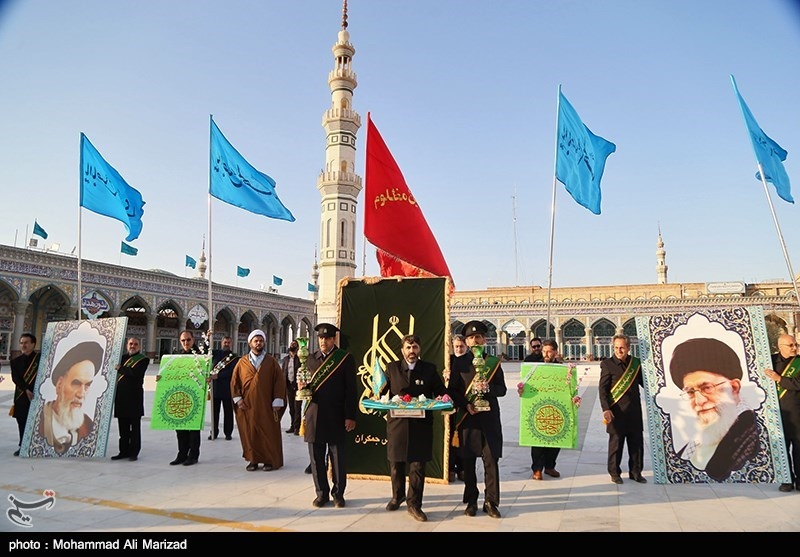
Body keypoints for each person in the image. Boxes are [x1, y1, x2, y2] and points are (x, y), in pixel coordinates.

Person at [383, 334, 457, 522]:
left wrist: (445, 394)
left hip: (420, 426)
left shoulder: (429, 370)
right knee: (396, 463)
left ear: (419, 349)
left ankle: (414, 504)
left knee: (417, 466)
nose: (412, 351)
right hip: (397, 425)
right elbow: (383, 391)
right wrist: (377, 392)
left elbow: (441, 392)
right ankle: (397, 495)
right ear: (402, 350)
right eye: (408, 348)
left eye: (415, 347)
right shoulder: (392, 368)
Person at [669, 337, 759, 481]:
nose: (700, 401)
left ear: (734, 387)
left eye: (707, 388)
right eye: (691, 392)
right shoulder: (695, 442)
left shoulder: (753, 434)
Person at [448, 320, 506, 519]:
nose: (475, 340)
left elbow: (503, 390)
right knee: (468, 462)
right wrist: (466, 405)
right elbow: (453, 391)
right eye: (471, 337)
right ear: (467, 341)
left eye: (479, 336)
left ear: (485, 339)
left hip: (489, 419)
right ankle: (471, 500)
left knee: (491, 462)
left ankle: (491, 502)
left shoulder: (493, 363)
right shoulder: (459, 363)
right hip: (469, 419)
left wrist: (488, 389)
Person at [302, 322, 357, 509]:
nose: (323, 341)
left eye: (327, 338)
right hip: (314, 414)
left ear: (334, 339)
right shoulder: (309, 359)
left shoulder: (344, 359)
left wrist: (350, 416)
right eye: (320, 338)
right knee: (316, 458)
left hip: (337, 414)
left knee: (338, 457)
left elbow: (351, 390)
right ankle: (321, 493)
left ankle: (338, 494)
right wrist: (301, 388)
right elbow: (304, 387)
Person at [521, 339, 579, 480]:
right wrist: (521, 389)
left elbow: (570, 388)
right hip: (538, 405)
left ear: (555, 352)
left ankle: (550, 467)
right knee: (537, 439)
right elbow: (526, 384)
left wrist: (574, 398)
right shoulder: (535, 367)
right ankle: (537, 469)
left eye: (549, 351)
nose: (546, 354)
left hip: (556, 406)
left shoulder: (563, 369)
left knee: (556, 437)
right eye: (544, 351)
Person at [230, 329, 287, 471]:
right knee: (250, 433)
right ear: (250, 343)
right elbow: (234, 382)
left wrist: (277, 401)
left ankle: (269, 460)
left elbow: (279, 382)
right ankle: (253, 460)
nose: (258, 343)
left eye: (261, 341)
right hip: (247, 406)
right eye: (256, 341)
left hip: (266, 405)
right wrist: (238, 399)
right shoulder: (242, 362)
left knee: (268, 433)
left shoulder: (271, 362)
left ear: (264, 343)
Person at [39, 340, 104, 455]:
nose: (81, 394)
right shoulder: (38, 420)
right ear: (60, 384)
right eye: (76, 383)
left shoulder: (88, 426)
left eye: (87, 385)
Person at [598, 334, 646, 484]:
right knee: (616, 445)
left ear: (628, 348)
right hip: (616, 412)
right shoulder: (607, 364)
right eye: (616, 348)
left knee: (636, 445)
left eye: (622, 348)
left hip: (634, 411)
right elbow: (602, 389)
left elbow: (645, 384)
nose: (619, 351)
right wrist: (606, 409)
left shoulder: (635, 364)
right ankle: (614, 473)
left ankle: (636, 472)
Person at [763, 333, 800, 492]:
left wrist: (779, 379)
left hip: (797, 413)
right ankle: (787, 480)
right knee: (781, 448)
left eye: (795, 345)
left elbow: (797, 384)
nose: (794, 348)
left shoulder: (799, 362)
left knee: (799, 449)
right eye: (790, 345)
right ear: (780, 347)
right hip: (777, 414)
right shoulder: (770, 361)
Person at [111, 337, 149, 461]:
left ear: (139, 346)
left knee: (135, 429)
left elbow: (135, 373)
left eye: (136, 344)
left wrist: (120, 368)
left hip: (134, 399)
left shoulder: (143, 360)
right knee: (123, 429)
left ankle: (134, 453)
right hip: (121, 398)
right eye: (131, 344)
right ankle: (123, 451)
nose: (133, 346)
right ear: (127, 345)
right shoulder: (121, 358)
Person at [170, 330, 203, 466]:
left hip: (194, 395)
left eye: (188, 340)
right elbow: (170, 373)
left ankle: (193, 455)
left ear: (193, 340)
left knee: (193, 428)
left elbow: (205, 373)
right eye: (183, 340)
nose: (186, 343)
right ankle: (182, 454)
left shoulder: (200, 356)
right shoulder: (176, 356)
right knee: (180, 426)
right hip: (179, 395)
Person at [10, 333, 40, 456]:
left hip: (38, 395)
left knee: (38, 422)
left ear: (33, 344)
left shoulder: (40, 359)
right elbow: (16, 379)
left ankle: (37, 445)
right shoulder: (15, 362)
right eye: (21, 343)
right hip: (22, 396)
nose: (24, 345)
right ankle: (23, 445)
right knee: (22, 421)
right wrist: (26, 389)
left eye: (26, 343)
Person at [447, 333, 470, 482]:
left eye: (461, 346)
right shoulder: (447, 361)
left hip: (464, 404)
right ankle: (449, 469)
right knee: (450, 438)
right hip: (449, 404)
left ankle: (462, 469)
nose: (459, 349)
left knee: (463, 439)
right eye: (456, 346)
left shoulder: (470, 362)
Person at [209, 335, 236, 441]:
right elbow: (206, 351)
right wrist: (208, 338)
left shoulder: (234, 357)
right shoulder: (216, 353)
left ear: (231, 344)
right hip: (215, 388)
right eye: (225, 342)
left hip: (227, 389)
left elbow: (231, 372)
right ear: (221, 342)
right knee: (214, 413)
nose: (226, 344)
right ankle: (214, 432)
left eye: (228, 342)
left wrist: (218, 376)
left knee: (228, 413)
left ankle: (228, 433)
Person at [282, 340, 302, 435]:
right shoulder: (285, 359)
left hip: (298, 386)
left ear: (297, 347)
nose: (292, 346)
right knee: (291, 408)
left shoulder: (300, 359)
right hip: (289, 386)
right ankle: (292, 426)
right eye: (291, 344)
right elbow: (283, 372)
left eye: (294, 345)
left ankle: (297, 427)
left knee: (297, 407)